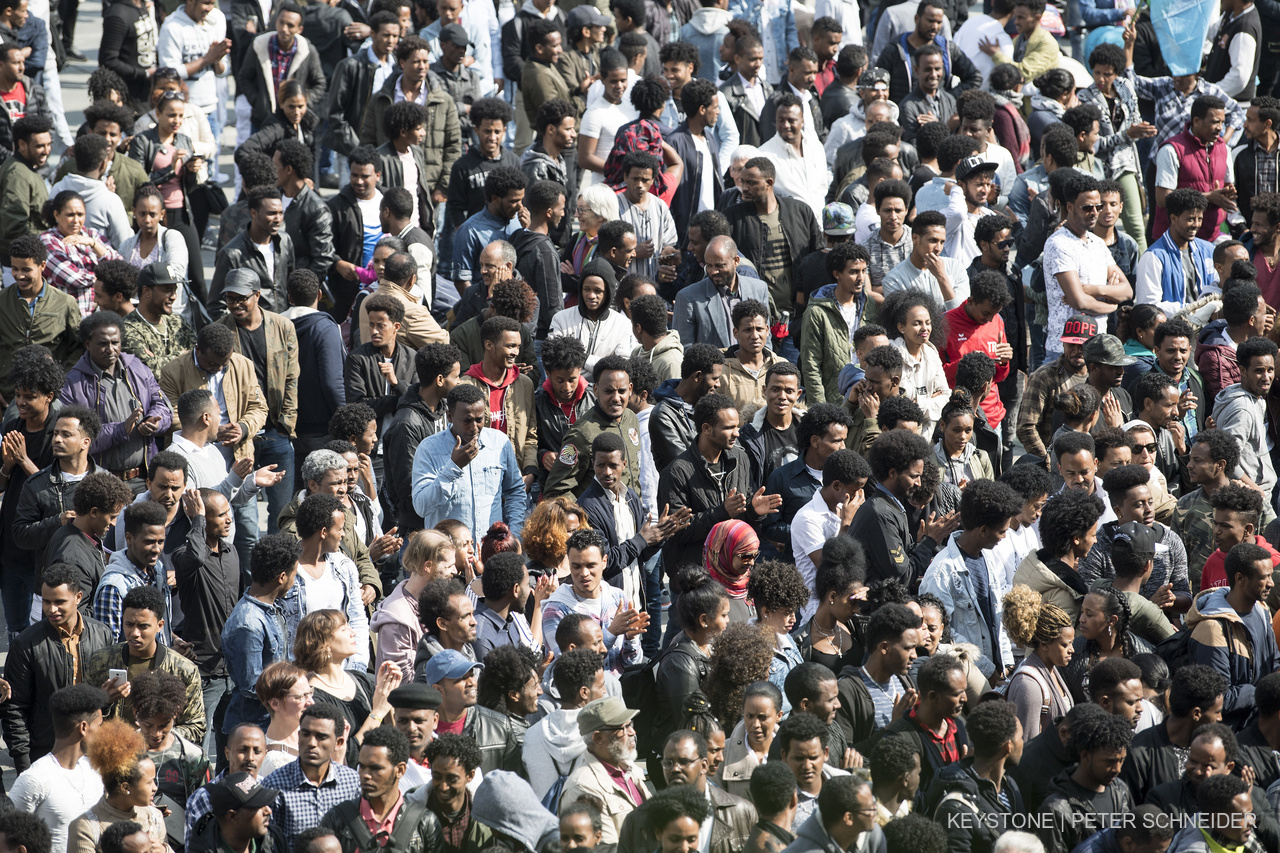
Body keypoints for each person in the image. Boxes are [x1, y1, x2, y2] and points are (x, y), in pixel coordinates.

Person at [1, 566, 114, 772]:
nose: (51, 609)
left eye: (59, 602)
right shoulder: (26, 645)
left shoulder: (102, 635)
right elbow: (14, 710)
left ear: (78, 597)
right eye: (46, 601)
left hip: (93, 754)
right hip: (47, 756)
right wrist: (25, 766)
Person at [920, 479, 1022, 683]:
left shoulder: (990, 558)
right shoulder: (941, 572)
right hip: (964, 681)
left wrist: (1006, 664)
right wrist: (984, 669)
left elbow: (995, 618)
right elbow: (943, 634)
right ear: (983, 530)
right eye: (1002, 531)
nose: (1004, 537)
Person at [58, 311, 171, 488]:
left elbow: (162, 403)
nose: (110, 349)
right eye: (103, 344)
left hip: (143, 478)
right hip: (100, 482)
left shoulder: (138, 368)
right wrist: (121, 429)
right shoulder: (72, 384)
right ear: (88, 344)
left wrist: (155, 421)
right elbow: (73, 439)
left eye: (115, 343)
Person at [1188, 542, 1280, 729]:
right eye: (1264, 577)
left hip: (1259, 725)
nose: (1271, 583)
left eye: (1271, 576)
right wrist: (1264, 693)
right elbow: (1218, 698)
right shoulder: (1212, 628)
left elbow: (1274, 663)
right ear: (1240, 579)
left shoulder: (1262, 611)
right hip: (1229, 734)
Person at [9, 683, 108, 853]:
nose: (104, 733)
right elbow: (8, 838)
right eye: (99, 726)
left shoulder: (94, 769)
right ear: (83, 728)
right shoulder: (35, 779)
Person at [222, 534, 301, 735]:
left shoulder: (271, 608)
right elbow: (251, 684)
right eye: (294, 574)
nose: (295, 580)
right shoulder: (248, 624)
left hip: (272, 722)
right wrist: (294, 686)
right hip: (253, 728)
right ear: (281, 577)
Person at [261, 703, 361, 850]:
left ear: (338, 743)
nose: (312, 743)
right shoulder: (274, 785)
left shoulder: (353, 783)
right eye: (306, 734)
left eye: (321, 737)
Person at [1036, 712, 1134, 853]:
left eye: (1121, 760)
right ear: (1085, 755)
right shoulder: (1056, 810)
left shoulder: (1120, 790)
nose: (1117, 769)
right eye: (1109, 761)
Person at [66, 720, 167, 853]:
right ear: (125, 788)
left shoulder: (154, 817)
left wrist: (165, 850)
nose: (155, 788)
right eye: (149, 783)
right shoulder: (86, 828)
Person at [420, 649, 522, 774]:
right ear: (438, 689)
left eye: (472, 675)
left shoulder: (499, 726)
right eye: (462, 678)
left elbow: (516, 782)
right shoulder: (420, 729)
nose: (472, 682)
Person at [1016, 317, 1092, 460]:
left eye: (1082, 346)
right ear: (1063, 344)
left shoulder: (1098, 375)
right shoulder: (1044, 376)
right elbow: (1026, 427)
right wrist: (1048, 460)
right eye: (1071, 345)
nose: (1077, 350)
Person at [1212, 336, 1277, 501]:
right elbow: (1226, 458)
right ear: (1242, 370)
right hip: (1250, 497)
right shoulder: (1243, 409)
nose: (1266, 377)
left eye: (1270, 370)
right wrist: (1256, 491)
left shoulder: (1244, 395)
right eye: (1258, 371)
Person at [120, 262, 195, 379]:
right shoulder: (128, 328)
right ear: (146, 291)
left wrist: (158, 360)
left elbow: (198, 358)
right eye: (168, 290)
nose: (174, 296)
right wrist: (182, 356)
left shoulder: (178, 322)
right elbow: (148, 371)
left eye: (175, 290)